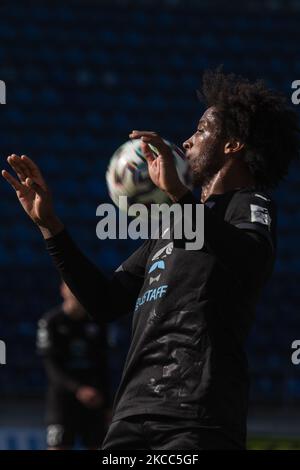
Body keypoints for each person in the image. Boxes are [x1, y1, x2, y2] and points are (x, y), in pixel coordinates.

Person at [2, 69, 299, 449]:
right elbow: (103, 301)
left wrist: (179, 197)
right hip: (131, 417)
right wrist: (51, 227)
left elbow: (251, 258)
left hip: (198, 419)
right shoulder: (172, 226)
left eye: (202, 130)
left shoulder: (250, 205)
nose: (188, 141)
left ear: (233, 144)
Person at [37, 281, 110, 449]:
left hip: (94, 400)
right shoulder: (51, 322)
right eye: (71, 287)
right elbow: (52, 367)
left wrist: (107, 403)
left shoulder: (97, 323)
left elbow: (103, 366)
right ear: (63, 290)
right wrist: (78, 389)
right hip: (63, 400)